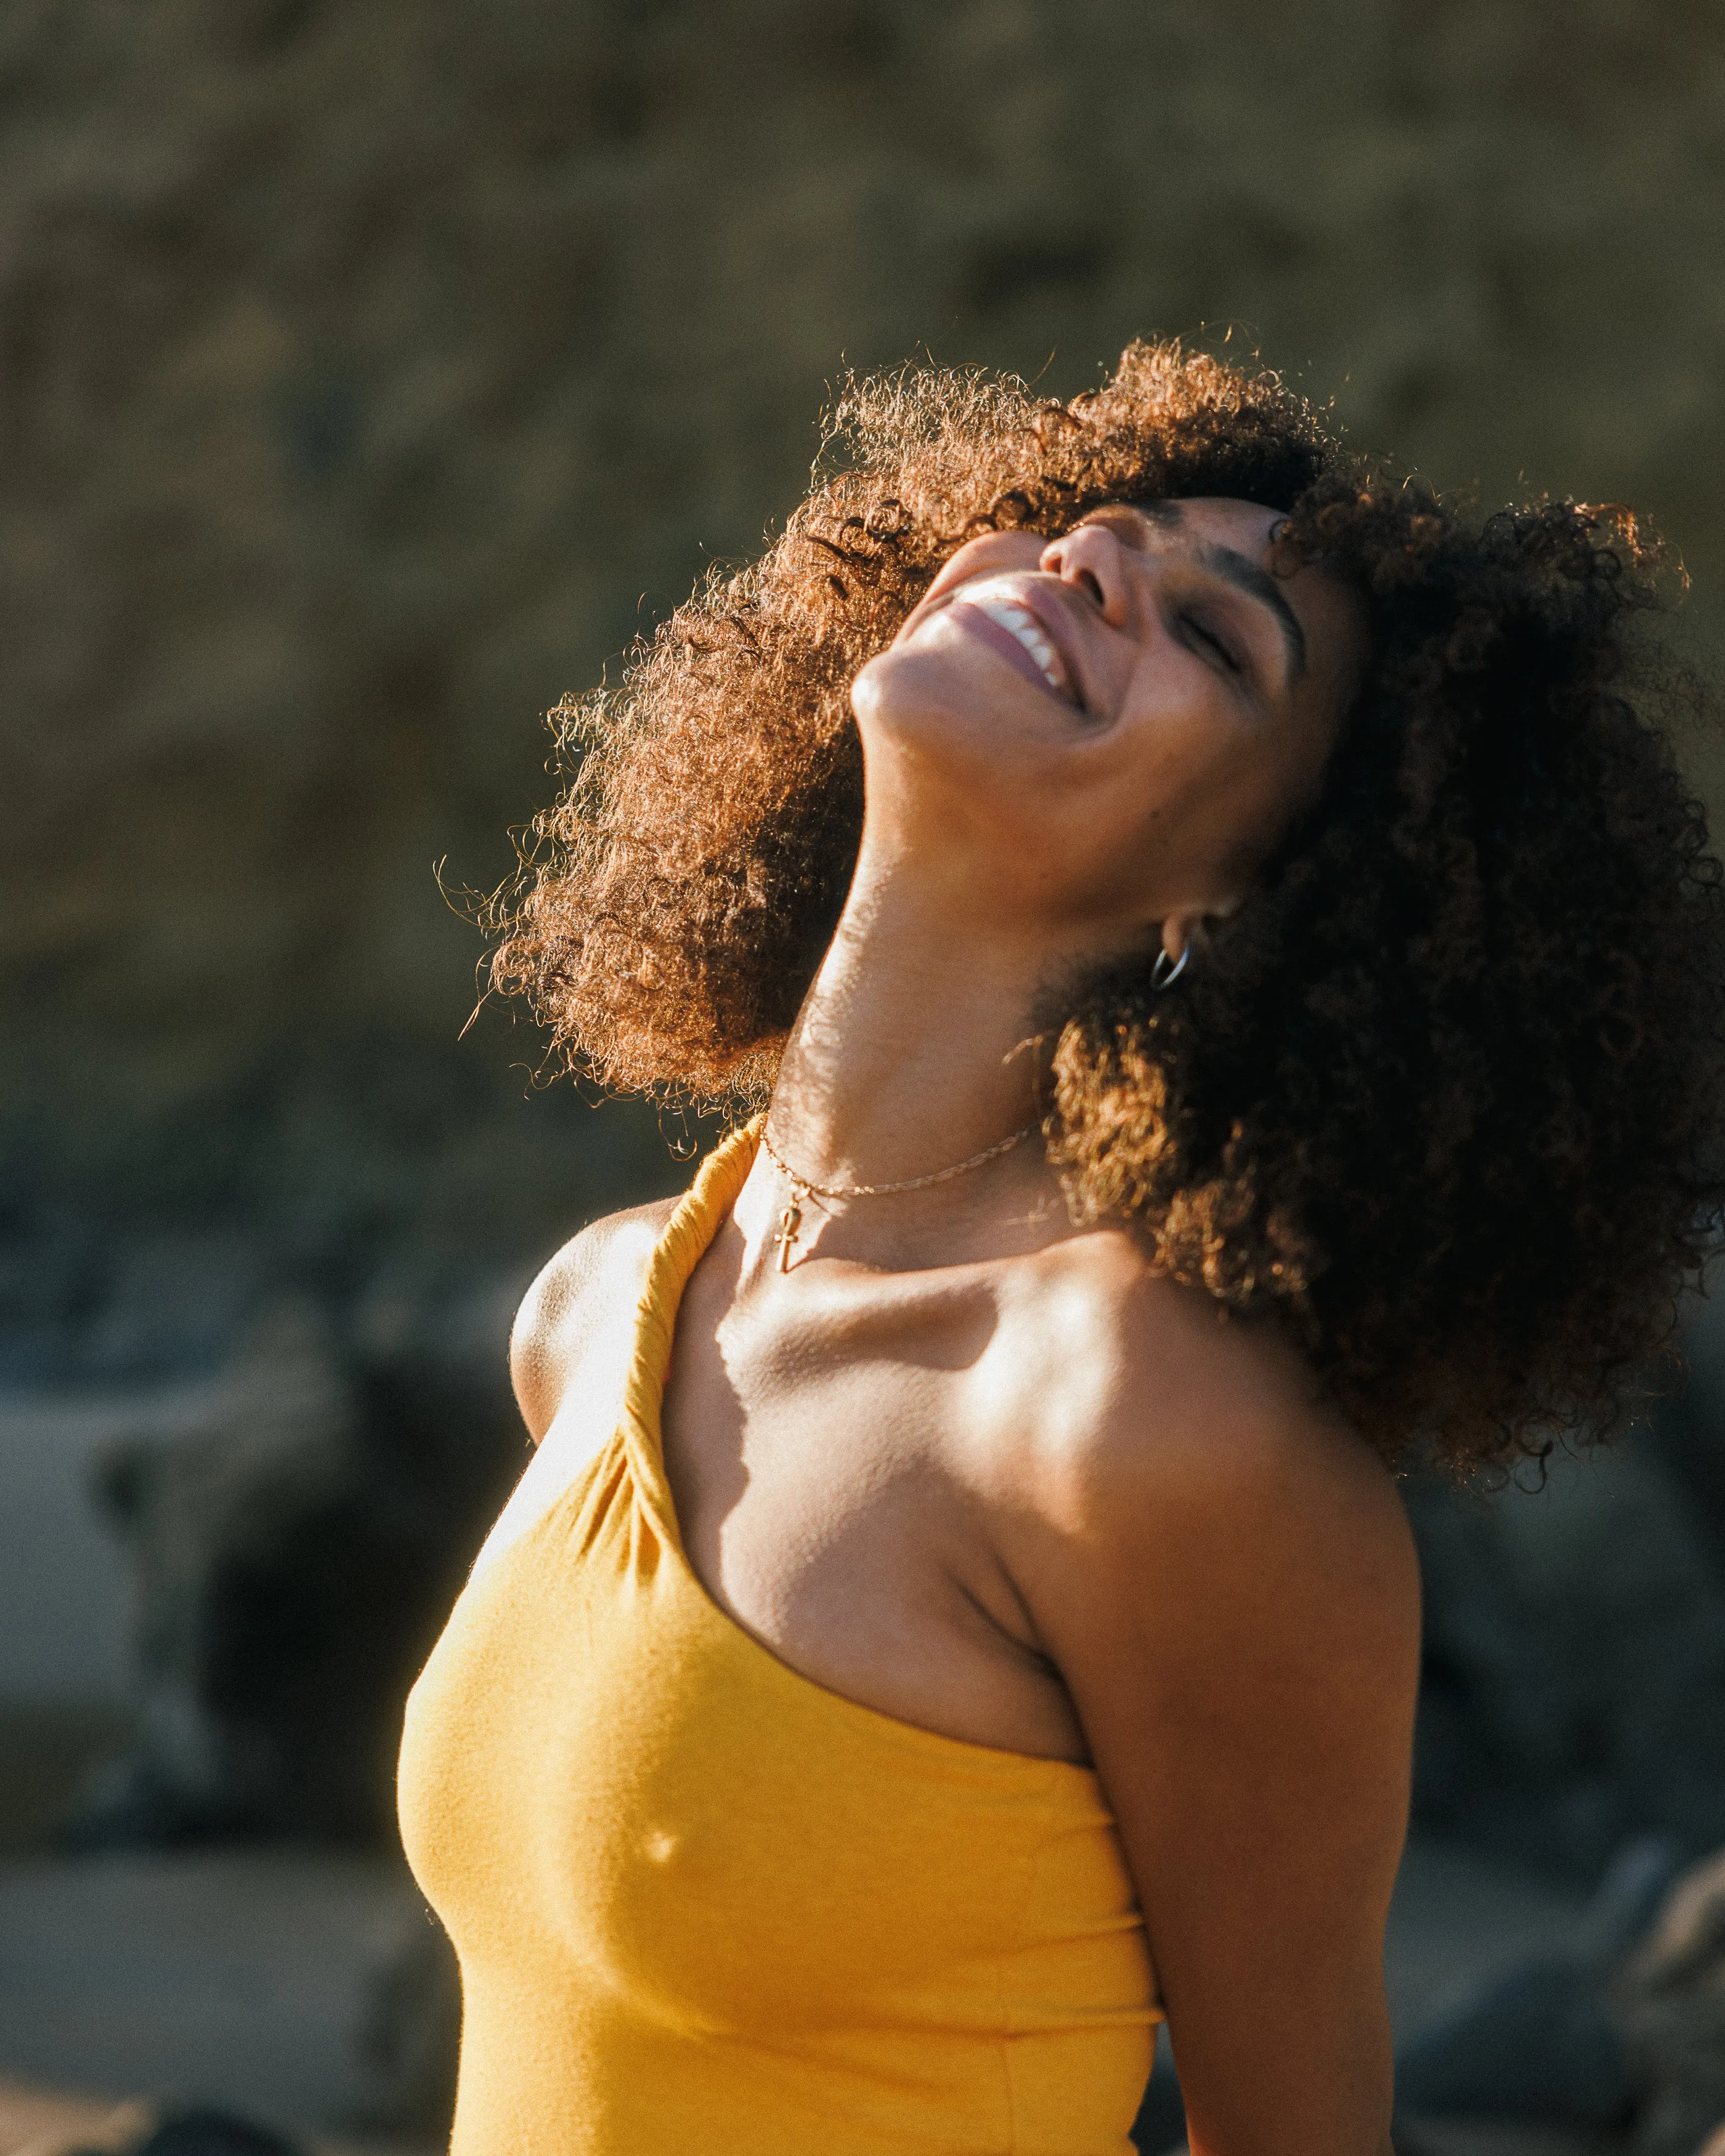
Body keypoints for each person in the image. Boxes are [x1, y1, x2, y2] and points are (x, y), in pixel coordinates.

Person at [396, 342, 1725, 2156]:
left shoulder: (1148, 1432)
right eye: (1114, 520)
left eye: (1217, 637)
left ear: (1245, 907)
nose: (1098, 559)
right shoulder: (600, 1304)